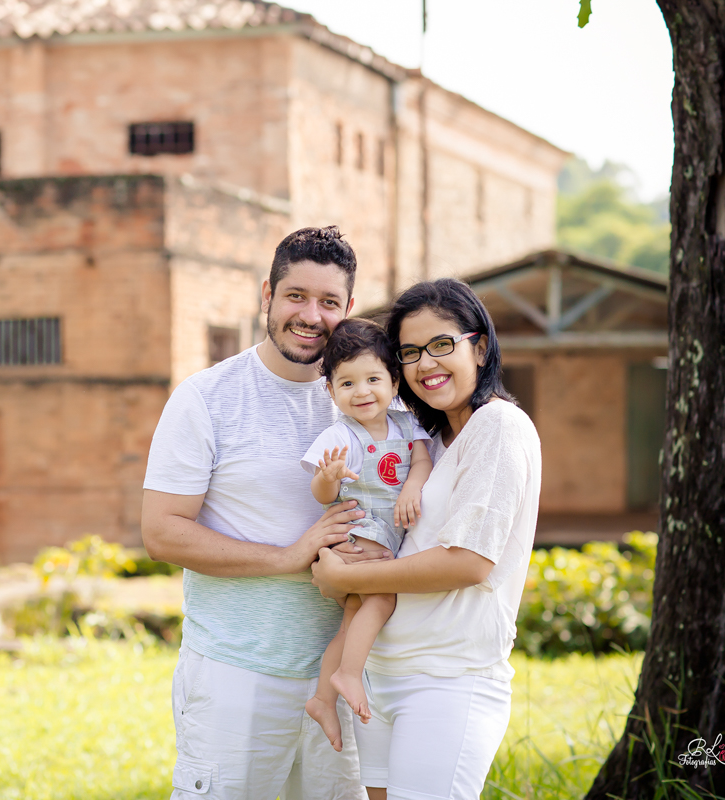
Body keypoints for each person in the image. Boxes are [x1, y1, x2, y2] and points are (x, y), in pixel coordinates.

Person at [142, 227, 382, 800]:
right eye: (295, 296)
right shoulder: (206, 397)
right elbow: (161, 533)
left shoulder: (373, 397)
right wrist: (289, 556)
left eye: (328, 302)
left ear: (348, 310)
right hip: (236, 673)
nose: (310, 315)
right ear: (266, 294)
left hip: (348, 674)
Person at [311, 278, 542, 800]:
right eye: (411, 352)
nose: (426, 364)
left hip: (447, 679)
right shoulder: (431, 441)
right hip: (381, 671)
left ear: (479, 347)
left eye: (442, 344)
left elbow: (468, 563)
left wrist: (350, 575)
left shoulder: (498, 425)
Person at [299, 318, 432, 751]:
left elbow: (422, 462)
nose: (362, 392)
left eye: (373, 378)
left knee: (354, 620)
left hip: (384, 538)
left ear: (394, 381)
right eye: (347, 383)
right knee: (381, 597)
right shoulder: (339, 435)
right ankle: (349, 675)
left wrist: (412, 487)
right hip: (359, 536)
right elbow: (322, 493)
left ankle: (323, 699)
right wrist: (329, 478)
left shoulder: (406, 424)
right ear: (331, 391)